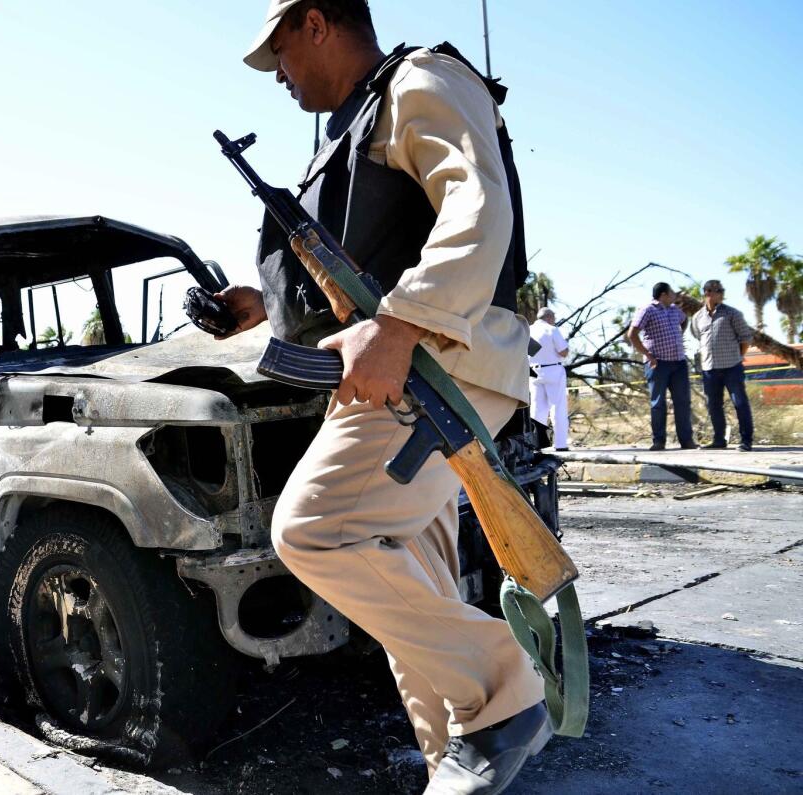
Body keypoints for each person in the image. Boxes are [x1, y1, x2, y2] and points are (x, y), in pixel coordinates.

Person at [218, 2, 549, 789]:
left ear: (318, 23)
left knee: (316, 530)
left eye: (282, 55)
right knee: (410, 590)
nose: (282, 80)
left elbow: (477, 205)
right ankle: (457, 761)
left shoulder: (419, 82)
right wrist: (264, 304)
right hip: (399, 369)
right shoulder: (359, 122)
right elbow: (372, 258)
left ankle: (504, 693)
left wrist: (401, 324)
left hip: (438, 363)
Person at [627, 283, 697, 451]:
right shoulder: (647, 309)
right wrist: (647, 354)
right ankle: (659, 441)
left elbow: (684, 319)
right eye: (672, 292)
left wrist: (678, 334)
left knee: (682, 402)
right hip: (657, 363)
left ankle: (686, 441)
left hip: (679, 362)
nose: (675, 295)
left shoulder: (674, 310)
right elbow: (632, 333)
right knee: (658, 403)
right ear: (664, 294)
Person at [689, 279, 755, 451]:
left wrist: (738, 356)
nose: (714, 293)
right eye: (710, 290)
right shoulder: (697, 318)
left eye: (717, 290)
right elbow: (698, 336)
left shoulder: (733, 314)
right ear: (705, 293)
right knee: (713, 405)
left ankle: (746, 441)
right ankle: (719, 440)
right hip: (709, 369)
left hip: (732, 367)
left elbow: (746, 338)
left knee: (739, 402)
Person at [528, 307, 570, 451]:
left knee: (537, 409)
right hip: (553, 369)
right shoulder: (552, 330)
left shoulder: (527, 330)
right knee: (557, 407)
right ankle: (560, 444)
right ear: (550, 317)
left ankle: (536, 444)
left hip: (533, 371)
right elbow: (563, 352)